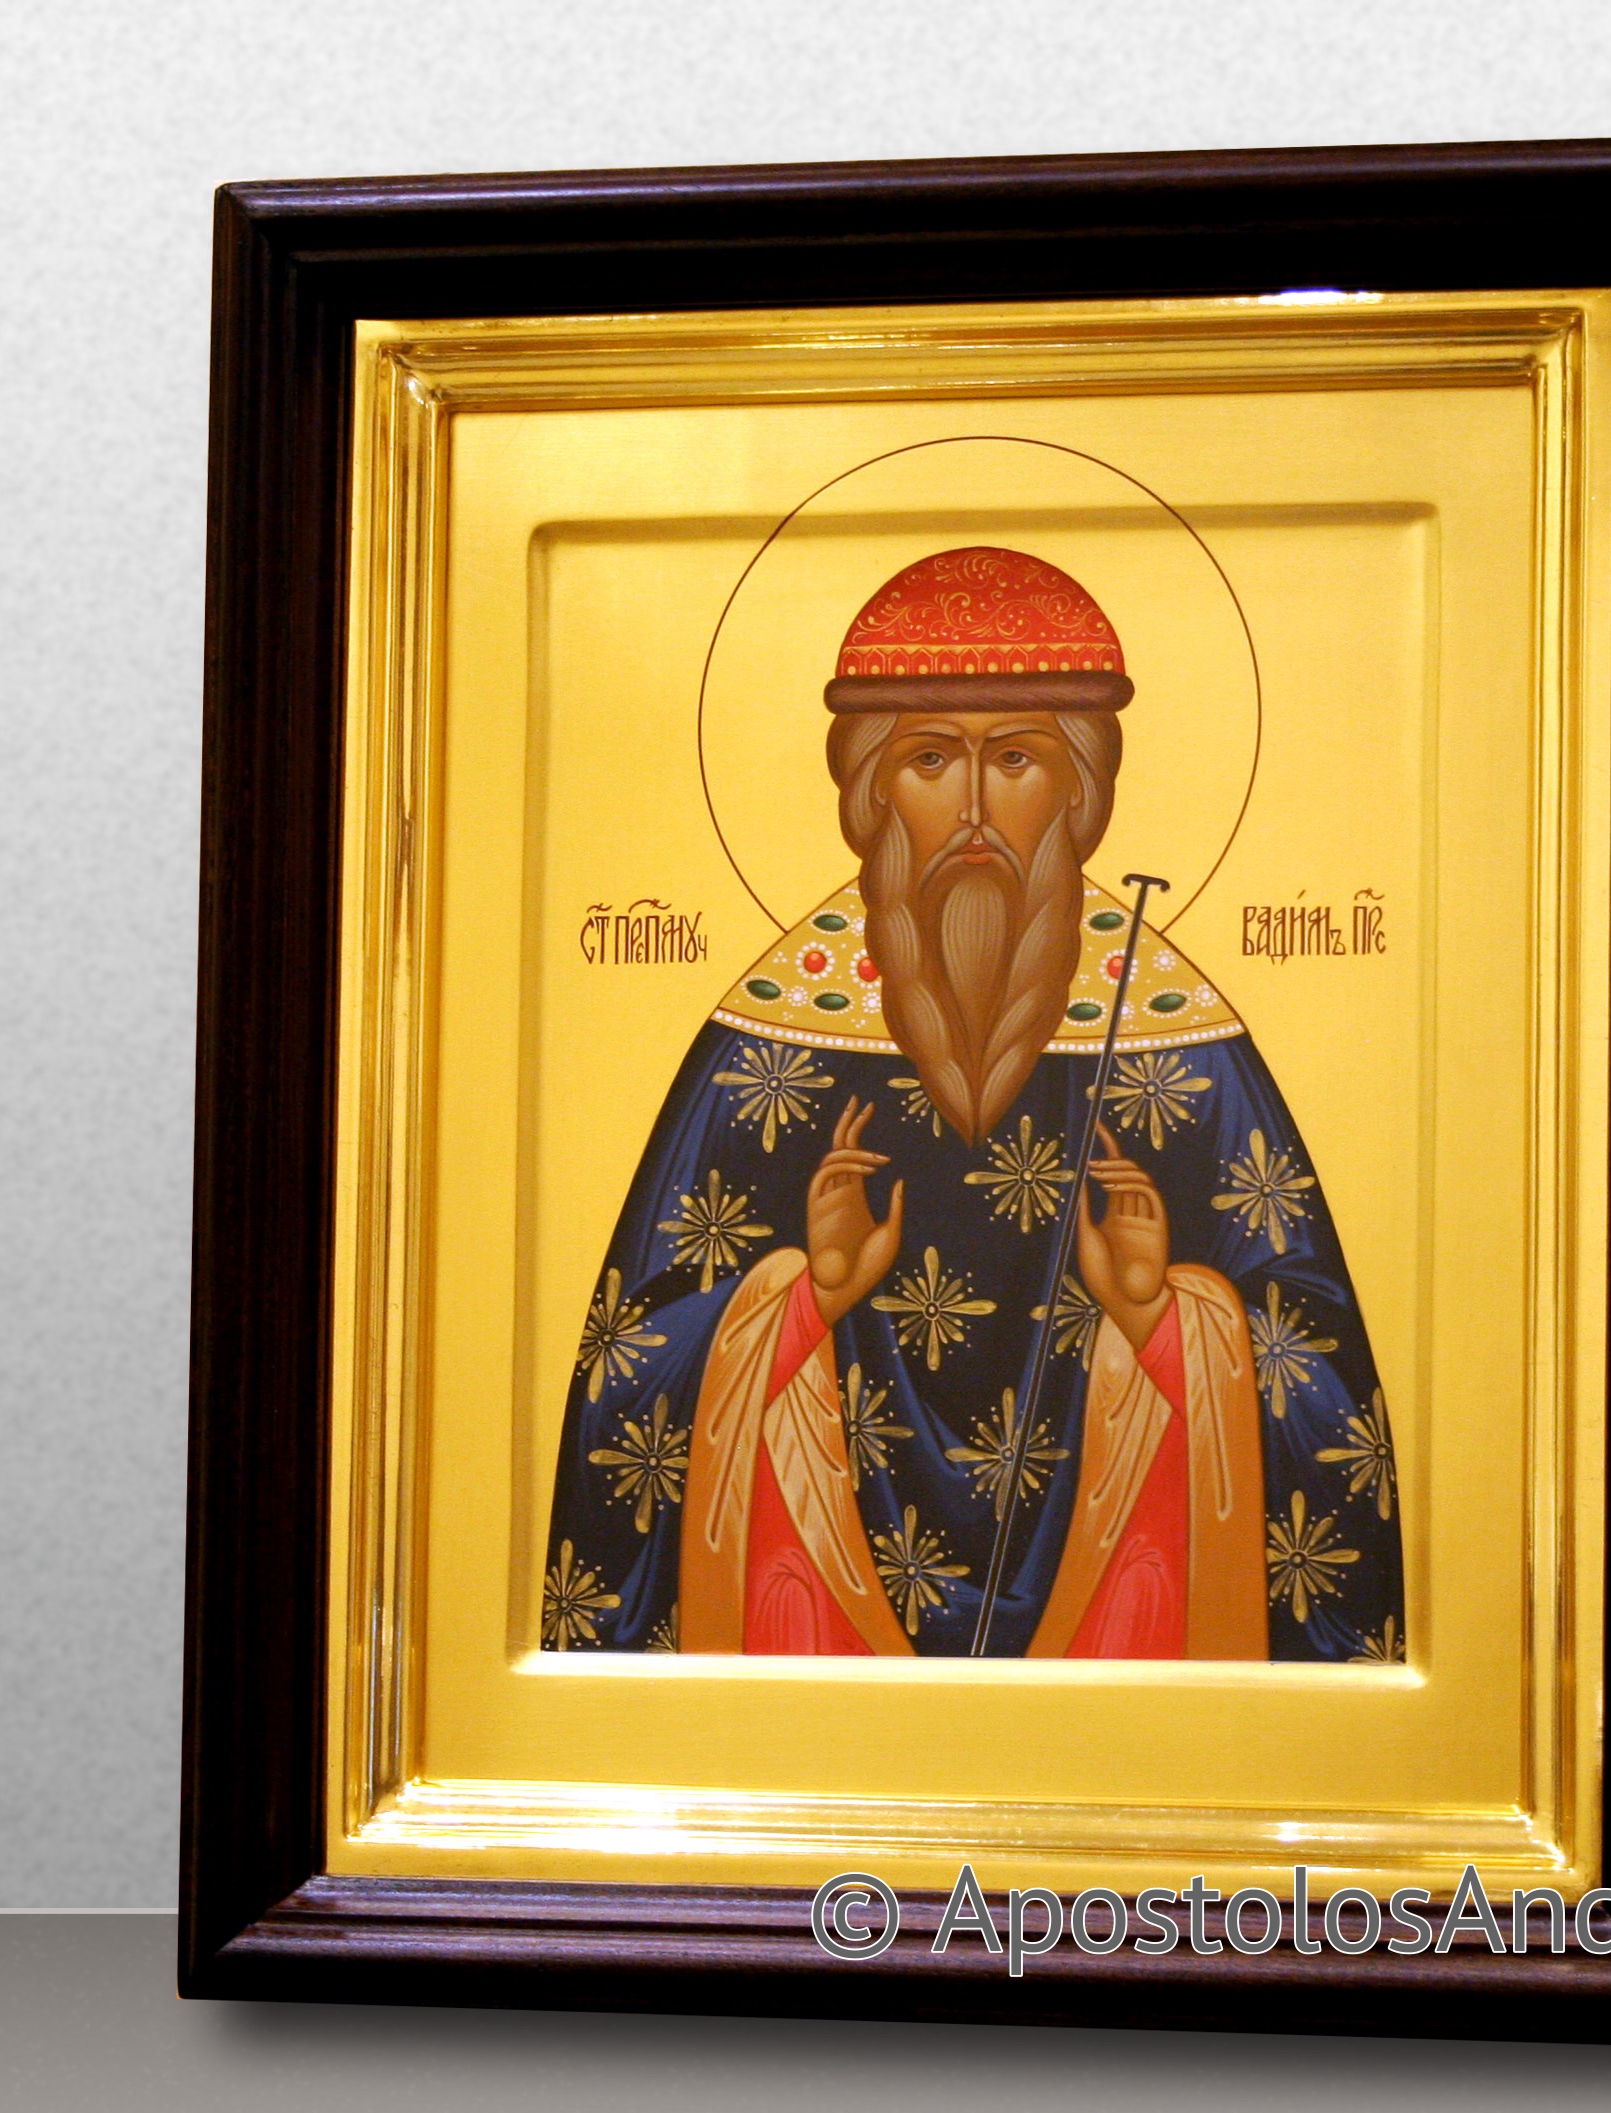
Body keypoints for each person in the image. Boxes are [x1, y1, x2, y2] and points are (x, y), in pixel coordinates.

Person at [541, 548, 1402, 1660]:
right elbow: (629, 1368)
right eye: (932, 758)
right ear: (872, 793)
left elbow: (1325, 1387)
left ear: (1081, 791)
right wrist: (800, 1303)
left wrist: (1166, 1325)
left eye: (1019, 758)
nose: (977, 807)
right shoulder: (774, 1030)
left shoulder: (1173, 1032)